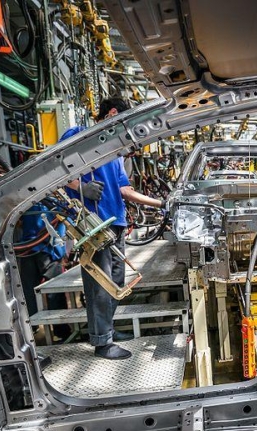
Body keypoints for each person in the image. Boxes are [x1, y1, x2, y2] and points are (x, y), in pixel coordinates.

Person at [61, 97, 166, 360]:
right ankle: (102, 342)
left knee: (116, 281)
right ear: (113, 114)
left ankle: (106, 330)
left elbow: (124, 189)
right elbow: (58, 170)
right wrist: (79, 187)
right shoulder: (78, 135)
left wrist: (161, 202)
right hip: (93, 224)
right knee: (100, 283)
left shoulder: (115, 152)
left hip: (116, 222)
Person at [17, 202, 70, 342]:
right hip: (47, 249)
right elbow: (68, 220)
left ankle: (31, 332)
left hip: (32, 248)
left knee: (30, 292)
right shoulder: (55, 197)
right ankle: (61, 332)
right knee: (53, 292)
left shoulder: (26, 197)